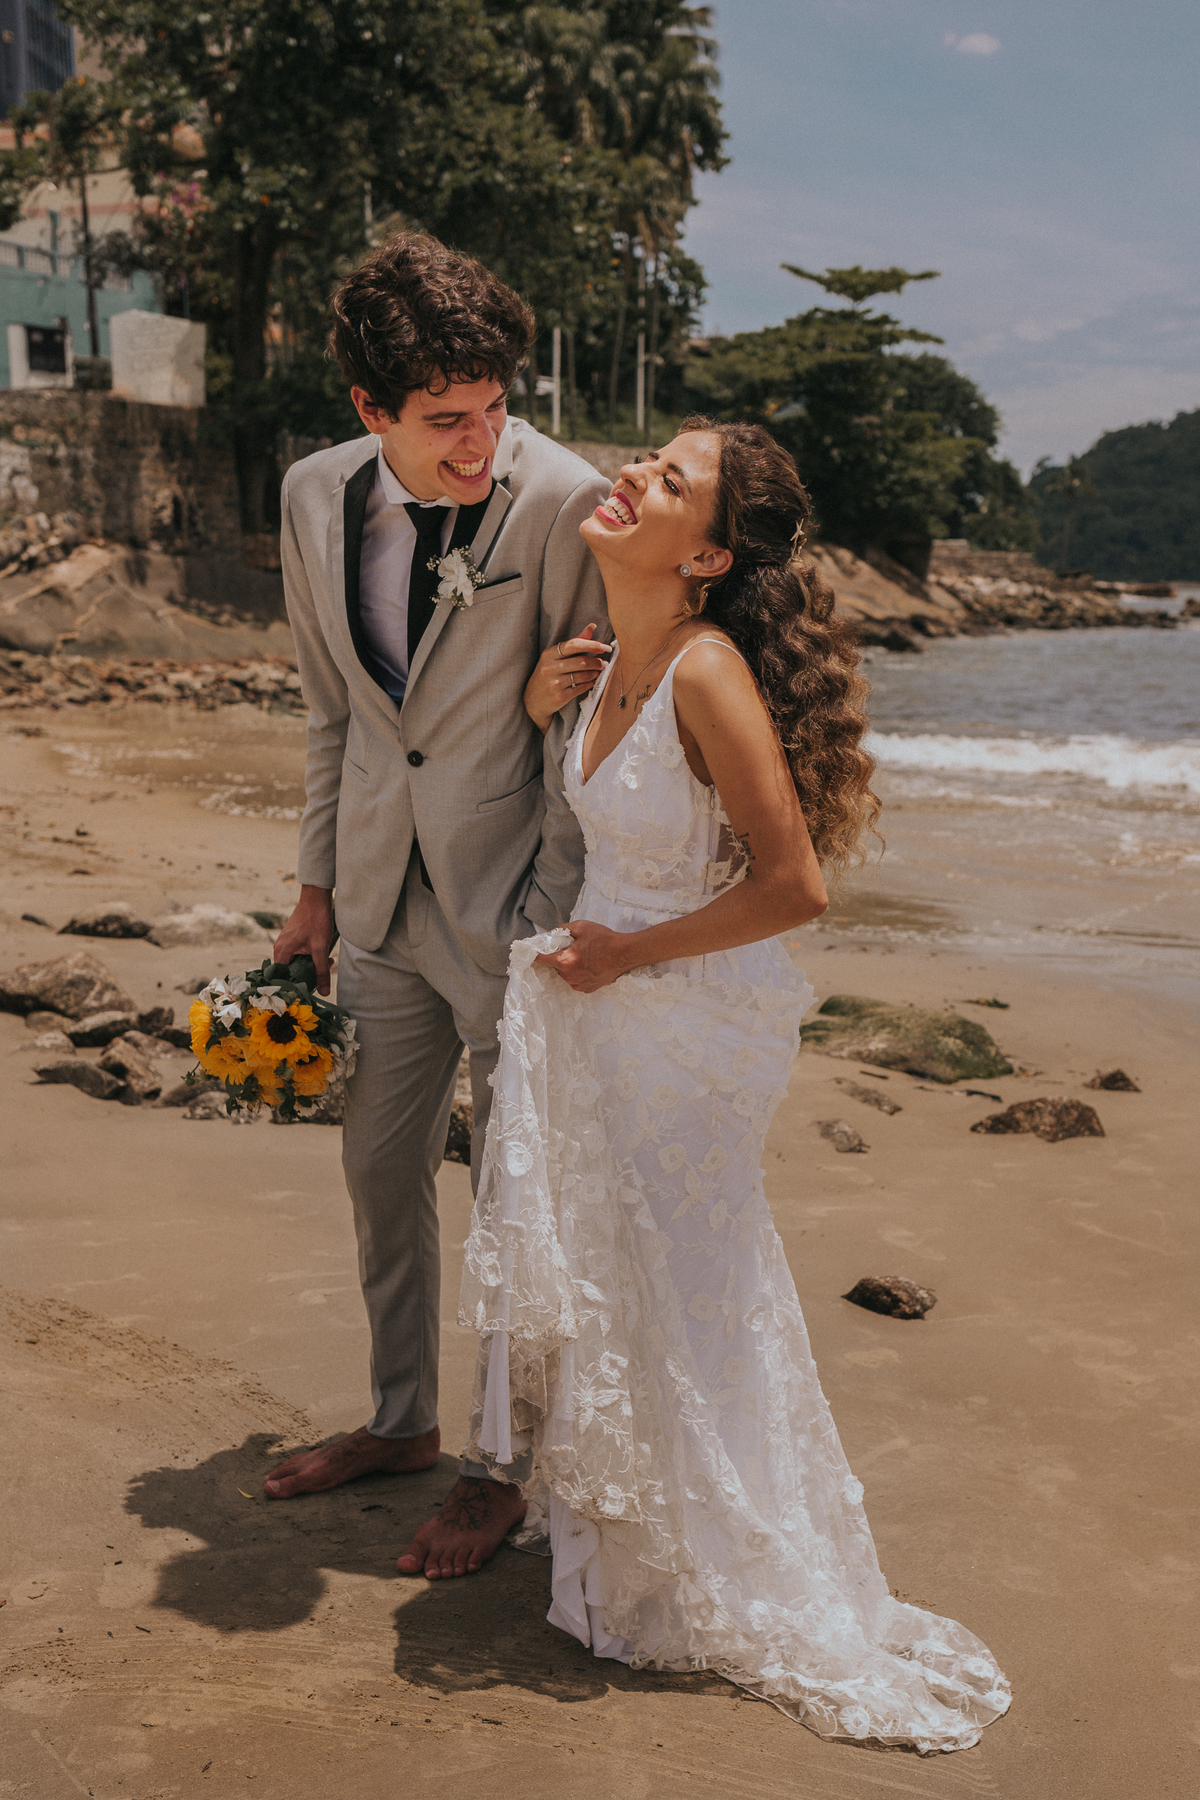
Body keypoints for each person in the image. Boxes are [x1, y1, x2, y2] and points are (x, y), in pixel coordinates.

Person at [442, 418, 1012, 1751]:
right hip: (609, 1005)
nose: (632, 474)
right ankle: (629, 1546)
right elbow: (621, 826)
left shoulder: (703, 671)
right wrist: (542, 712)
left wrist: (629, 953)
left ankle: (713, 1564)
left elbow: (793, 884)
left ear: (702, 552)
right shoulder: (606, 669)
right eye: (645, 458)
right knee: (620, 1274)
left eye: (670, 479)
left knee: (687, 1285)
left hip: (688, 1018)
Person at [262, 233, 612, 1541]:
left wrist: (551, 922)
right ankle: (402, 1416)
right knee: (376, 1170)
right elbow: (330, 715)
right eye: (444, 422)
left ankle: (503, 1470)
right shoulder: (311, 498)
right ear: (368, 411)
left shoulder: (569, 501)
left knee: (519, 1204)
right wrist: (313, 888)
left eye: (493, 412)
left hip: (514, 912)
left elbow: (586, 734)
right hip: (374, 904)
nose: (480, 446)